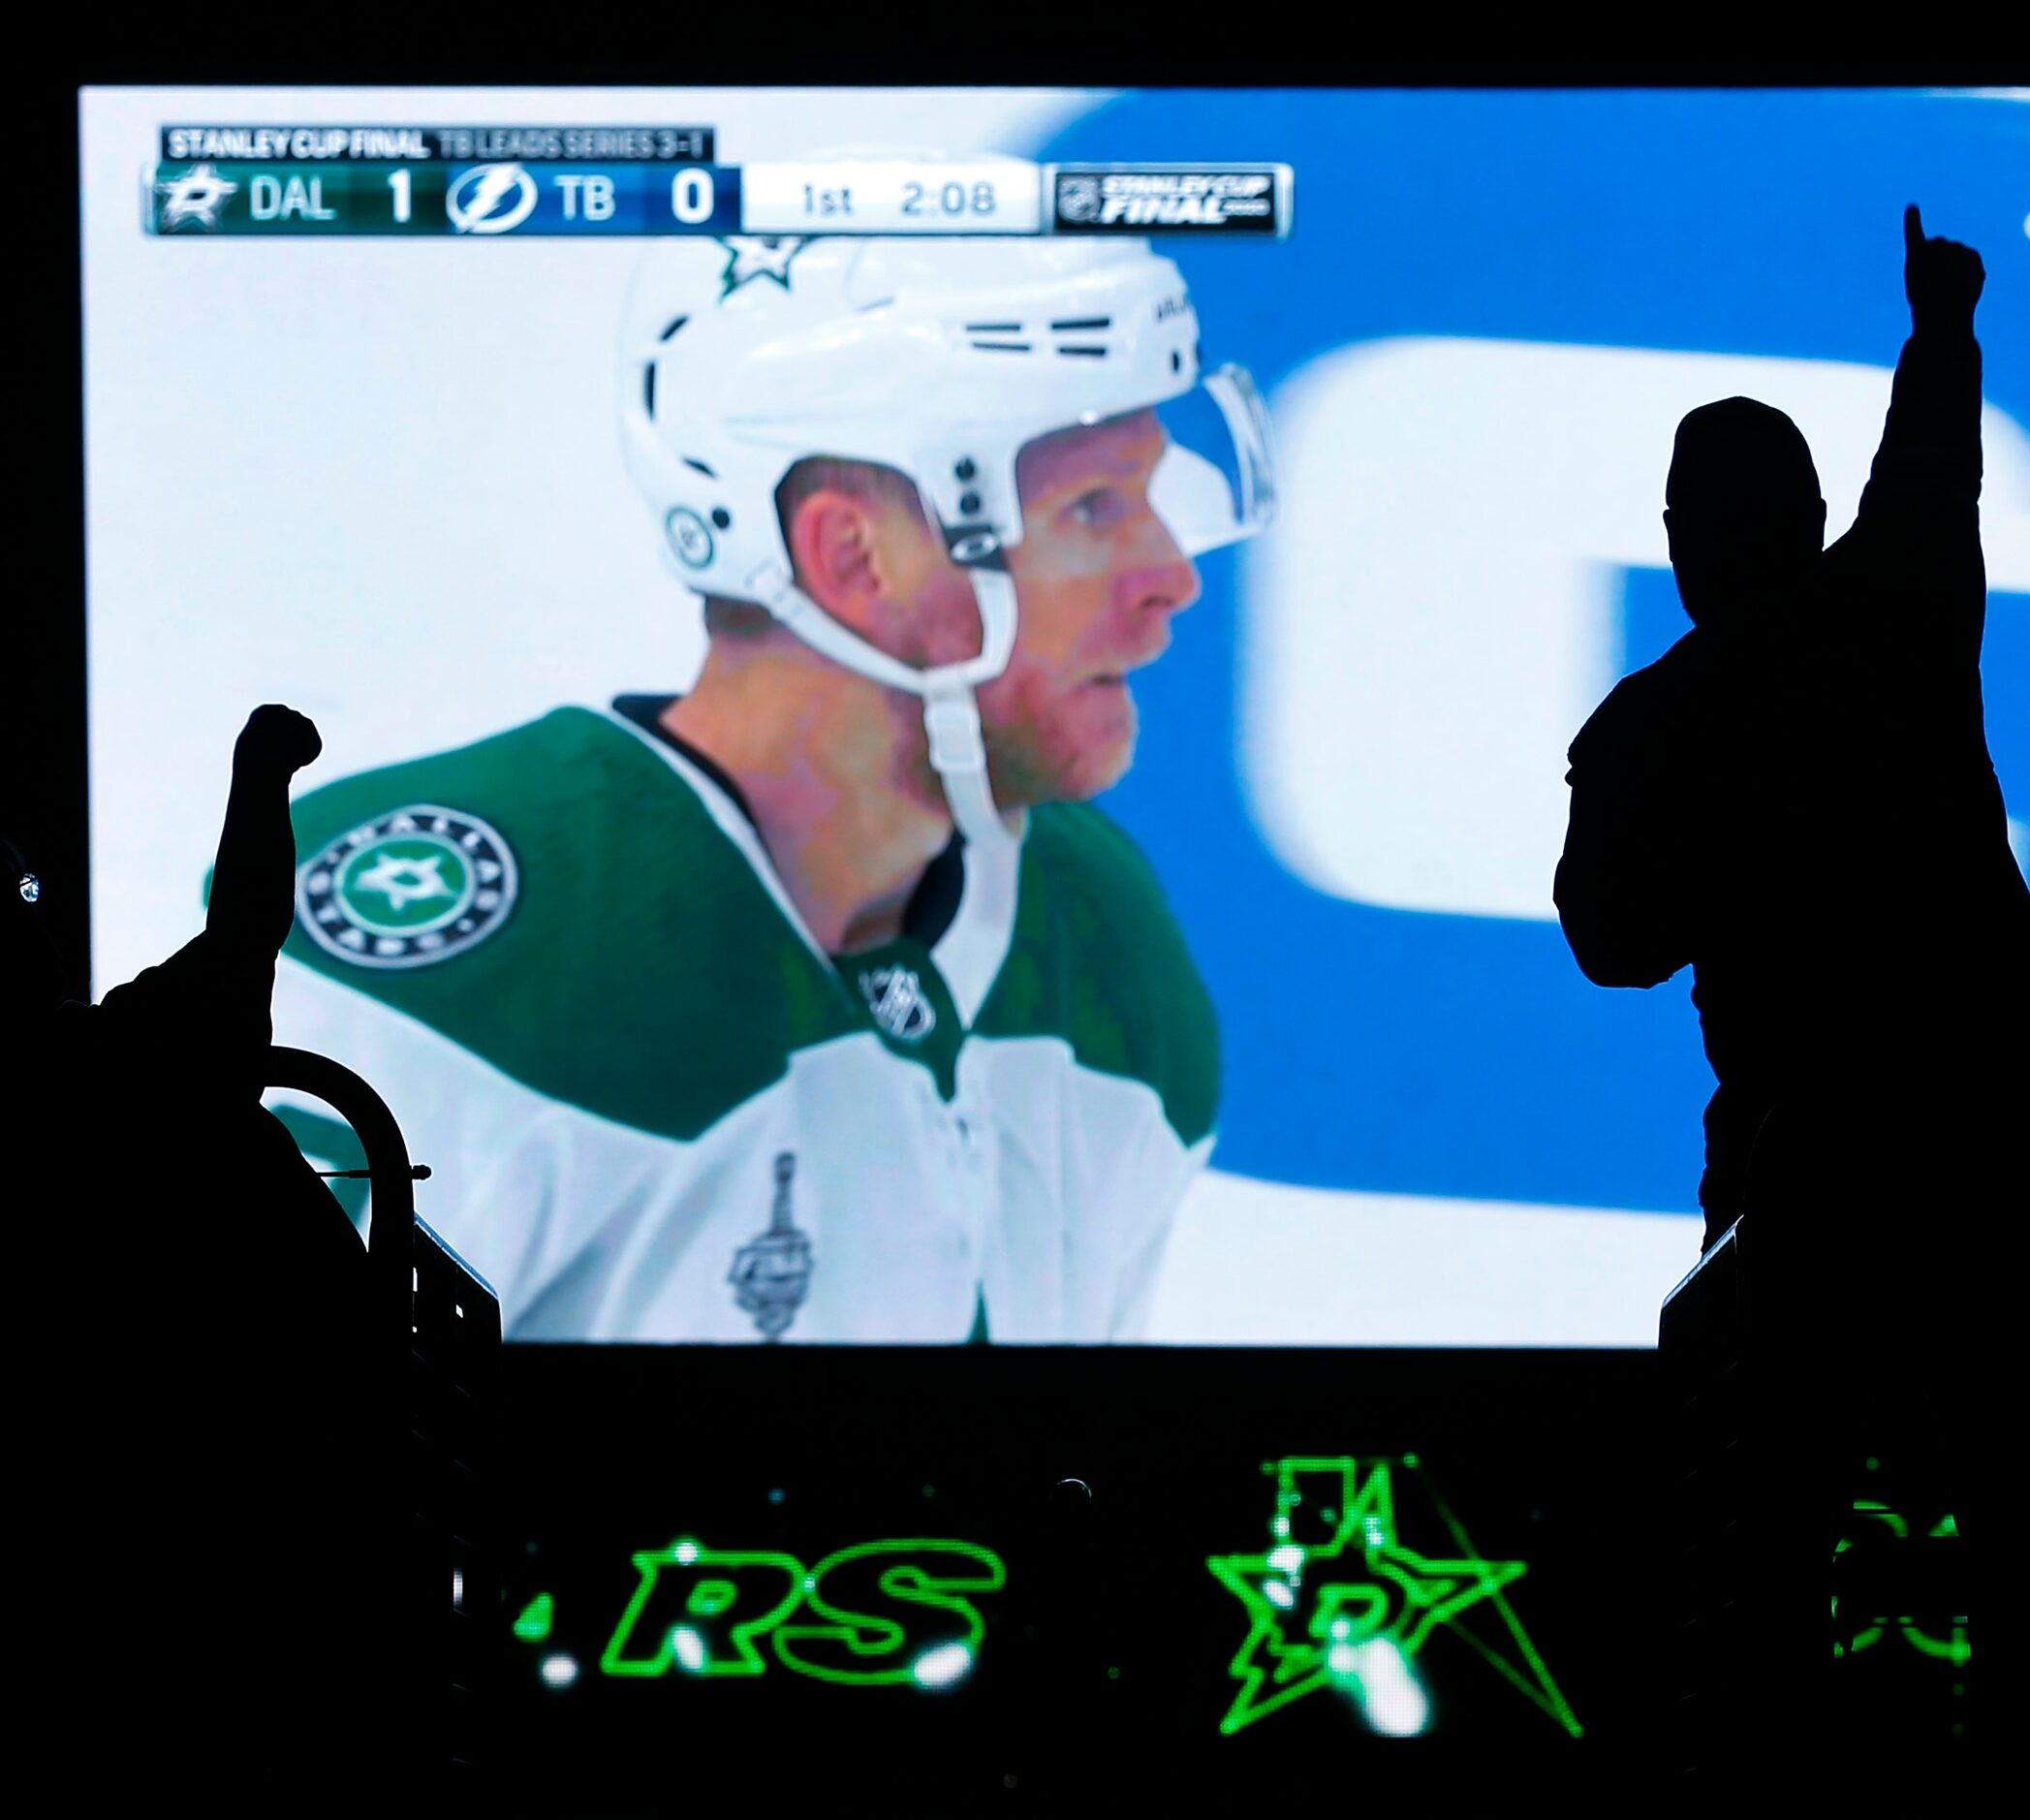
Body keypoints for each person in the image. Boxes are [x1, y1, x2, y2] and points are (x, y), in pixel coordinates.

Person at [265, 231, 1275, 1342]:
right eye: (1092, 509)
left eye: (1151, 493)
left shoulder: (1103, 941)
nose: (1174, 578)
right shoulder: (445, 946)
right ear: (852, 558)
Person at [1556, 206, 2030, 1780]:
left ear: (1678, 533)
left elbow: (1609, 941)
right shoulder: (1893, 612)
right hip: (1978, 1144)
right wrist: (1941, 326)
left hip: (1793, 1172)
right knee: (2026, 1526)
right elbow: (1932, 466)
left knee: (1766, 1543)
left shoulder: (1646, 729)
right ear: (1810, 517)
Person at [17, 706, 394, 1799]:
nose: (40, 923)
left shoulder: (108, 1064)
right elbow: (244, 929)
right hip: (226, 1550)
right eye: (19, 903)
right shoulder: (113, 1074)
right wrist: (262, 775)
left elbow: (241, 934)